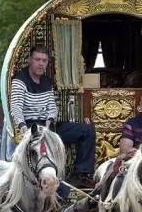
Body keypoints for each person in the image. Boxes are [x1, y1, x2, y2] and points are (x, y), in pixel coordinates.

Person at [10, 45, 96, 187]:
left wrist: (49, 122)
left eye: (44, 60)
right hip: (31, 128)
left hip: (49, 126)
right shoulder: (20, 80)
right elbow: (16, 108)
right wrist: (23, 128)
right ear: (30, 61)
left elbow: (52, 107)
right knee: (41, 145)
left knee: (86, 130)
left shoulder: (46, 81)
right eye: (37, 59)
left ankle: (80, 174)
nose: (41, 63)